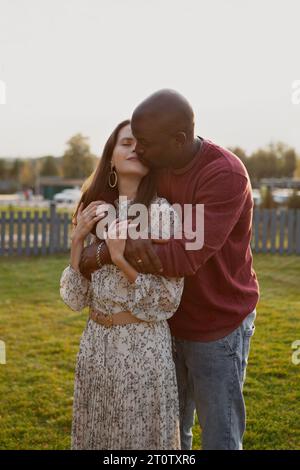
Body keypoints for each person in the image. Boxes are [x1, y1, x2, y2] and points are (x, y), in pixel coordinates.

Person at [79, 90, 260, 450]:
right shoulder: (159, 163)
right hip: (163, 324)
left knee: (219, 435)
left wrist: (118, 246)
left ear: (178, 140)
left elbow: (183, 258)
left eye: (144, 143)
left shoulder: (223, 174)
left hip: (216, 322)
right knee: (174, 435)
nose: (139, 150)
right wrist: (104, 240)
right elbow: (125, 206)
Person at [59, 120, 184, 450]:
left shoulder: (162, 214)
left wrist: (122, 260)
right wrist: (77, 242)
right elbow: (75, 297)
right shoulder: (95, 210)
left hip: (142, 348)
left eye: (140, 144)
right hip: (96, 347)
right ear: (110, 158)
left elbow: (166, 301)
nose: (134, 149)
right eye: (125, 143)